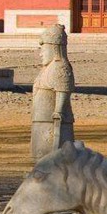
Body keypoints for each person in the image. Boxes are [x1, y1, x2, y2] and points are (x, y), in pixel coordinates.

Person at [30, 23, 75, 162]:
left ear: (54, 48)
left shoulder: (60, 67)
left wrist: (59, 111)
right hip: (41, 118)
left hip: (52, 120)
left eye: (44, 49)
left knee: (51, 155)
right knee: (39, 152)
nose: (41, 53)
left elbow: (63, 90)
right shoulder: (47, 68)